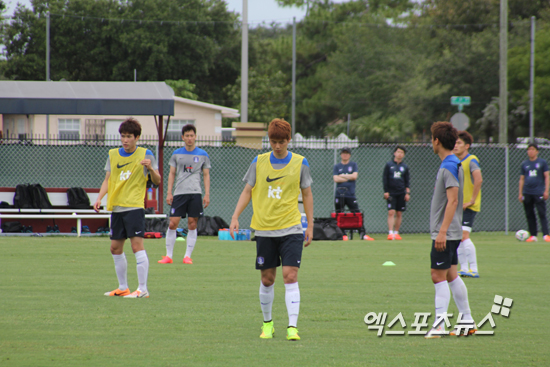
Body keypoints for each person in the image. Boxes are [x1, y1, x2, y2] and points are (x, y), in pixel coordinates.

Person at [229, 118, 314, 341]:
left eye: (281, 142)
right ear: (269, 140)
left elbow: (307, 195)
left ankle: (292, 327)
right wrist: (235, 216)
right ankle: (268, 324)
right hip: (264, 229)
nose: (277, 146)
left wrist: (310, 226)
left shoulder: (300, 163)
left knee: (290, 276)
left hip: (292, 229)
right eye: (273, 141)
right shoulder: (258, 162)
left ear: (289, 140)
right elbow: (247, 190)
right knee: (267, 279)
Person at [94, 118, 161, 298]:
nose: (125, 140)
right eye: (123, 136)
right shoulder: (113, 154)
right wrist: (99, 198)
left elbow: (157, 181)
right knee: (115, 248)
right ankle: (123, 287)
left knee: (136, 246)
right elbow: (108, 179)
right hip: (116, 207)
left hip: (134, 207)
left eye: (129, 136)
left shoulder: (146, 154)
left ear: (137, 137)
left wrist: (151, 170)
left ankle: (143, 289)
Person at [425, 121, 475, 338]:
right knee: (452, 274)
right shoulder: (451, 162)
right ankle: (467, 320)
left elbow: (453, 201)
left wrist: (442, 231)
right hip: (450, 231)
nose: (431, 142)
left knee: (437, 275)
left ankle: (439, 325)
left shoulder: (449, 165)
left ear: (437, 141)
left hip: (446, 232)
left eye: (432, 138)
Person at [158, 124, 211, 265]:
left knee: (192, 224)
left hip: (195, 194)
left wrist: (207, 194)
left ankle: (187, 256)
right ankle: (168, 256)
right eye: (187, 136)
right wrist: (169, 193)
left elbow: (206, 175)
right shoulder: (176, 154)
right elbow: (172, 174)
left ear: (195, 137)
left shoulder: (203, 155)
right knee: (172, 223)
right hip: (179, 194)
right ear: (182, 137)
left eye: (192, 135)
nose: (189, 138)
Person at [453, 131, 483, 278]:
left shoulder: (472, 159)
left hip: (468, 205)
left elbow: (478, 179)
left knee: (464, 235)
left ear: (467, 146)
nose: (455, 145)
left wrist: (471, 200)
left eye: (458, 143)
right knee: (458, 236)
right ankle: (464, 268)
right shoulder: (455, 161)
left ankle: (474, 269)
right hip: (458, 205)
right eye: (455, 143)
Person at [333, 147, 374, 241]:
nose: (345, 155)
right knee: (340, 214)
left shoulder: (353, 164)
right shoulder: (337, 166)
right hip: (339, 194)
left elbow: (354, 176)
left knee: (357, 213)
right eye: (343, 153)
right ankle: (342, 235)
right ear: (341, 155)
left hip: (350, 194)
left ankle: (362, 234)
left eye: (347, 153)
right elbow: (335, 179)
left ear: (350, 155)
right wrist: (349, 177)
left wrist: (342, 176)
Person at [518, 143, 550, 242]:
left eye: (533, 149)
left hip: (538, 192)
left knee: (541, 213)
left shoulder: (542, 162)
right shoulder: (525, 164)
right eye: (529, 149)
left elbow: (547, 176)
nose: (530, 151)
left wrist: (546, 191)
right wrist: (520, 193)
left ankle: (546, 235)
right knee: (529, 214)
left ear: (537, 151)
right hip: (527, 192)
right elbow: (522, 179)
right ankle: (533, 235)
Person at [382, 146, 410, 240]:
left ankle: (396, 233)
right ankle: (390, 233)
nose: (399, 154)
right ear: (394, 153)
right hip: (391, 193)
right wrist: (386, 191)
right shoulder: (389, 165)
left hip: (401, 192)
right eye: (398, 152)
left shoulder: (405, 166)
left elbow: (407, 181)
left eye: (402, 152)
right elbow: (385, 178)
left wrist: (407, 193)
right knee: (391, 212)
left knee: (399, 213)